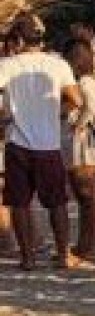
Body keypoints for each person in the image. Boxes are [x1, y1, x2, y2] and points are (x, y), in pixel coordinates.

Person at [0, 14, 83, 270]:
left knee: (19, 203)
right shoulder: (57, 64)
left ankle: (27, 258)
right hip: (49, 142)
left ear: (18, 39)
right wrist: (55, 111)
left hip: (18, 141)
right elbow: (76, 100)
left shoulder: (7, 65)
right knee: (57, 202)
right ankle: (64, 254)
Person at [61, 35, 95, 266]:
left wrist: (79, 124)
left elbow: (89, 105)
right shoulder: (91, 79)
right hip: (83, 141)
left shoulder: (87, 81)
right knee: (86, 198)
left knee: (89, 196)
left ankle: (88, 249)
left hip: (85, 142)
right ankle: (83, 246)